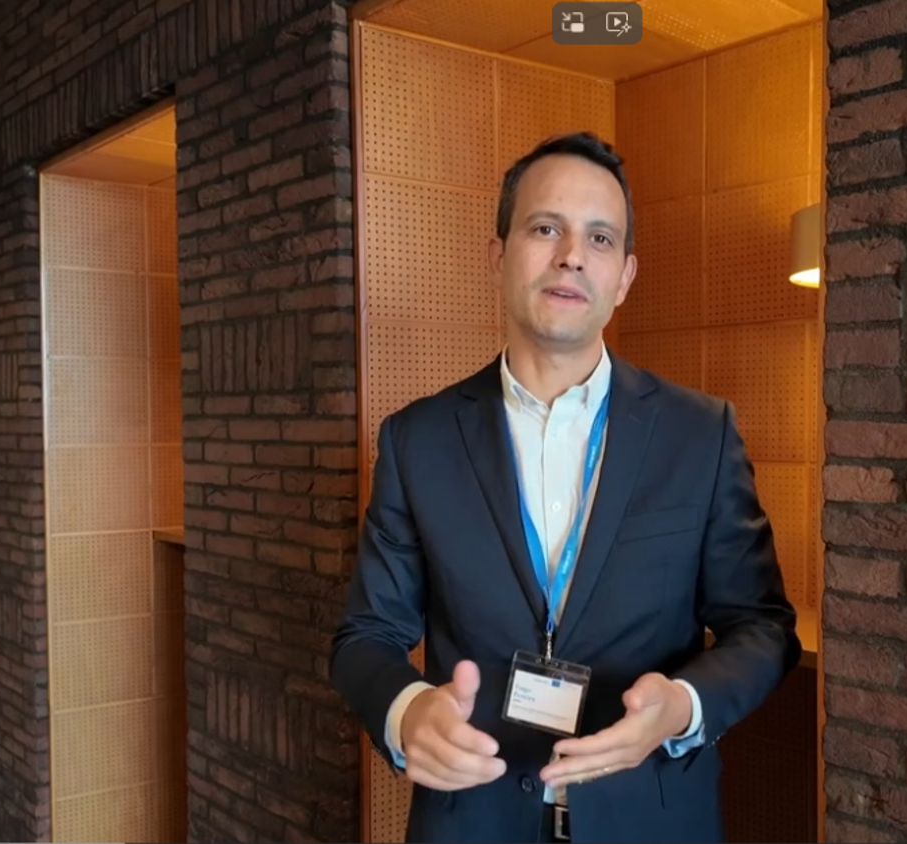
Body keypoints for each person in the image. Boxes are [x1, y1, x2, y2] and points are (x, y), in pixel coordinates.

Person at [330, 131, 800, 843]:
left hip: (652, 816)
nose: (572, 254)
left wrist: (681, 706)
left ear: (624, 277)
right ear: (498, 256)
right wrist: (404, 710)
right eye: (545, 227)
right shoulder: (415, 440)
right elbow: (366, 635)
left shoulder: (700, 434)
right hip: (474, 819)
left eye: (600, 238)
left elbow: (762, 626)